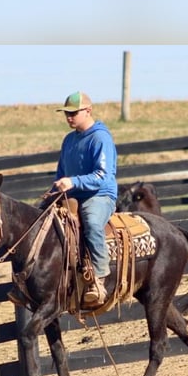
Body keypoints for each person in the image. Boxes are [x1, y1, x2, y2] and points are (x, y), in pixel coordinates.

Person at [51, 91, 118, 306]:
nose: (69, 117)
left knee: (91, 223)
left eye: (73, 112)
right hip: (72, 195)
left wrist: (73, 182)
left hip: (99, 195)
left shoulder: (100, 138)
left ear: (88, 111)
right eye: (66, 113)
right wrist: (58, 187)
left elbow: (102, 175)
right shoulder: (69, 140)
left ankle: (98, 278)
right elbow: (61, 172)